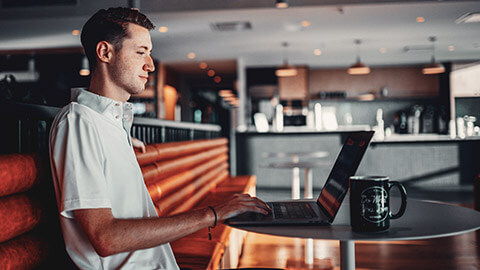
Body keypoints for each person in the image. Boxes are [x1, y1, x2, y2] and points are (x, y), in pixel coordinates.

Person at [49, 7, 270, 269]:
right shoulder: (79, 122)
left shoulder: (109, 123)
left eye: (149, 53)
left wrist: (123, 139)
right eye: (141, 52)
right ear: (105, 52)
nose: (150, 65)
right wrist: (214, 213)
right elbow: (105, 238)